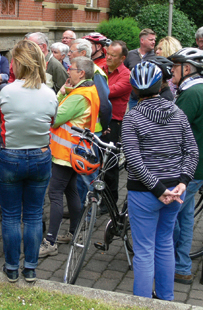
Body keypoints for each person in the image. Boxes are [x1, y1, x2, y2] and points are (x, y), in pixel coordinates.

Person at [122, 61, 198, 300]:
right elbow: (192, 151)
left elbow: (134, 160)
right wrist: (183, 182)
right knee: (165, 243)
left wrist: (157, 189)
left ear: (134, 90)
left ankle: (142, 304)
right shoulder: (178, 112)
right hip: (175, 190)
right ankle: (167, 300)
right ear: (162, 84)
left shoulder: (132, 118)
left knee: (144, 250)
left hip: (145, 192)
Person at [0, 40, 58, 282]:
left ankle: (10, 268)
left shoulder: (6, 90)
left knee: (10, 216)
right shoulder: (49, 93)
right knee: (33, 215)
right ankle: (30, 268)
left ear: (18, 63)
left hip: (10, 155)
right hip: (40, 156)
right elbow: (52, 120)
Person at [39, 57, 100, 257]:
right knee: (71, 191)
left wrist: (59, 93)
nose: (68, 72)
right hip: (75, 152)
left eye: (71, 69)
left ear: (81, 73)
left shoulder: (79, 95)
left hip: (65, 154)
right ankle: (76, 233)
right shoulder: (89, 90)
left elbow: (54, 117)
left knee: (55, 193)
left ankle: (50, 241)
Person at [168, 47, 203, 285]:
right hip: (197, 167)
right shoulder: (201, 89)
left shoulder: (190, 94)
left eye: (174, 67)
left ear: (186, 69)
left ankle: (172, 263)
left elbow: (174, 130)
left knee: (169, 216)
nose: (171, 72)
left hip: (188, 170)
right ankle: (182, 266)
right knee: (184, 217)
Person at [68, 39, 112, 214]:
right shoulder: (80, 71)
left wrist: (105, 124)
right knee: (80, 176)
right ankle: (79, 211)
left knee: (87, 175)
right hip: (83, 131)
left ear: (83, 53)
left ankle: (89, 213)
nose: (69, 54)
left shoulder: (95, 72)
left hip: (92, 132)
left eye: (72, 51)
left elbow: (105, 104)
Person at [99, 40, 132, 205]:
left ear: (122, 58)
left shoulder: (126, 75)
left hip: (113, 123)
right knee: (96, 162)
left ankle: (110, 202)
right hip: (98, 120)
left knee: (110, 165)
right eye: (107, 54)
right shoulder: (101, 70)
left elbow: (107, 93)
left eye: (113, 55)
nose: (109, 57)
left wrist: (92, 88)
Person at [124, 28, 156, 111]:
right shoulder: (130, 55)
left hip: (151, 99)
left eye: (154, 40)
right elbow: (123, 73)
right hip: (133, 99)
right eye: (151, 40)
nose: (154, 42)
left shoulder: (156, 56)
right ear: (142, 40)